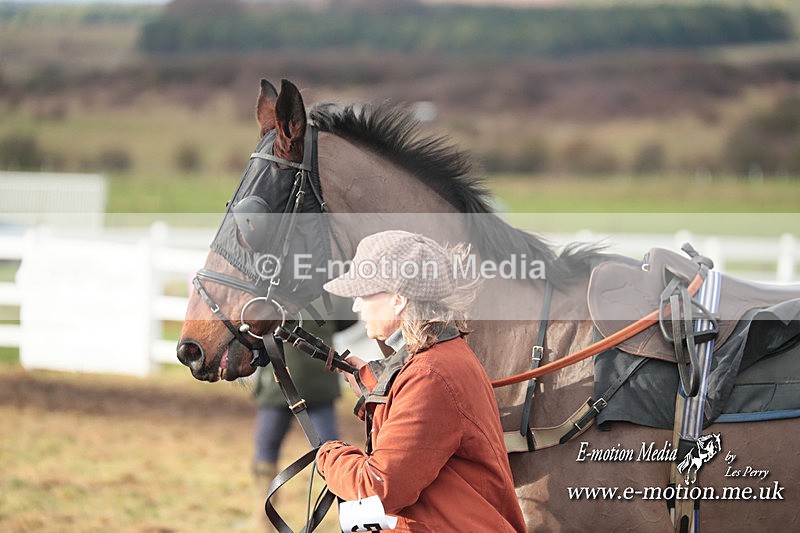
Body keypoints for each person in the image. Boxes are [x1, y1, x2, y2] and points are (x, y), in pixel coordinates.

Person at [316, 230, 526, 532]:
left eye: (365, 294)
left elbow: (377, 487)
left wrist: (328, 454)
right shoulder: (442, 355)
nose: (356, 306)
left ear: (398, 300)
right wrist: (374, 383)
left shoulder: (429, 376)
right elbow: (421, 425)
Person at [251, 300, 355, 523]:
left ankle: (263, 516)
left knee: (268, 447)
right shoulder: (328, 291)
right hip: (310, 379)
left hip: (281, 379)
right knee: (329, 451)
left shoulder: (274, 292)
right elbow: (349, 318)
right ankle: (344, 514)